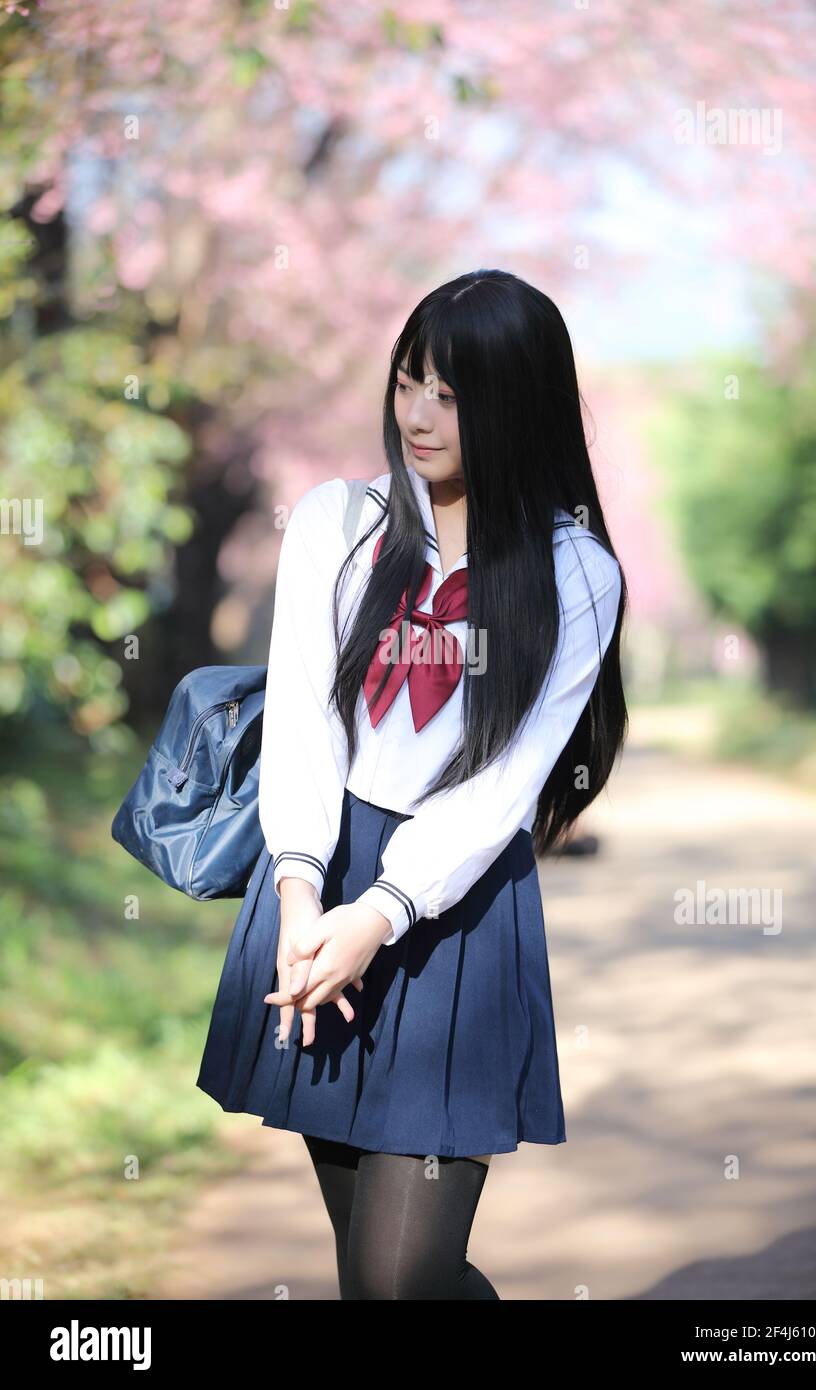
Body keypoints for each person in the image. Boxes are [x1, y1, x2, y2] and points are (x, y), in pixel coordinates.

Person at [197, 268, 628, 1300]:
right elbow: (302, 722)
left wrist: (378, 915)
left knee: (401, 1278)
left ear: (516, 403)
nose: (419, 415)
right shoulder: (335, 523)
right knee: (371, 1275)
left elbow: (502, 787)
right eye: (408, 382)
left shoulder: (574, 574)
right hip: (315, 875)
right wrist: (303, 897)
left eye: (452, 392)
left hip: (452, 913)